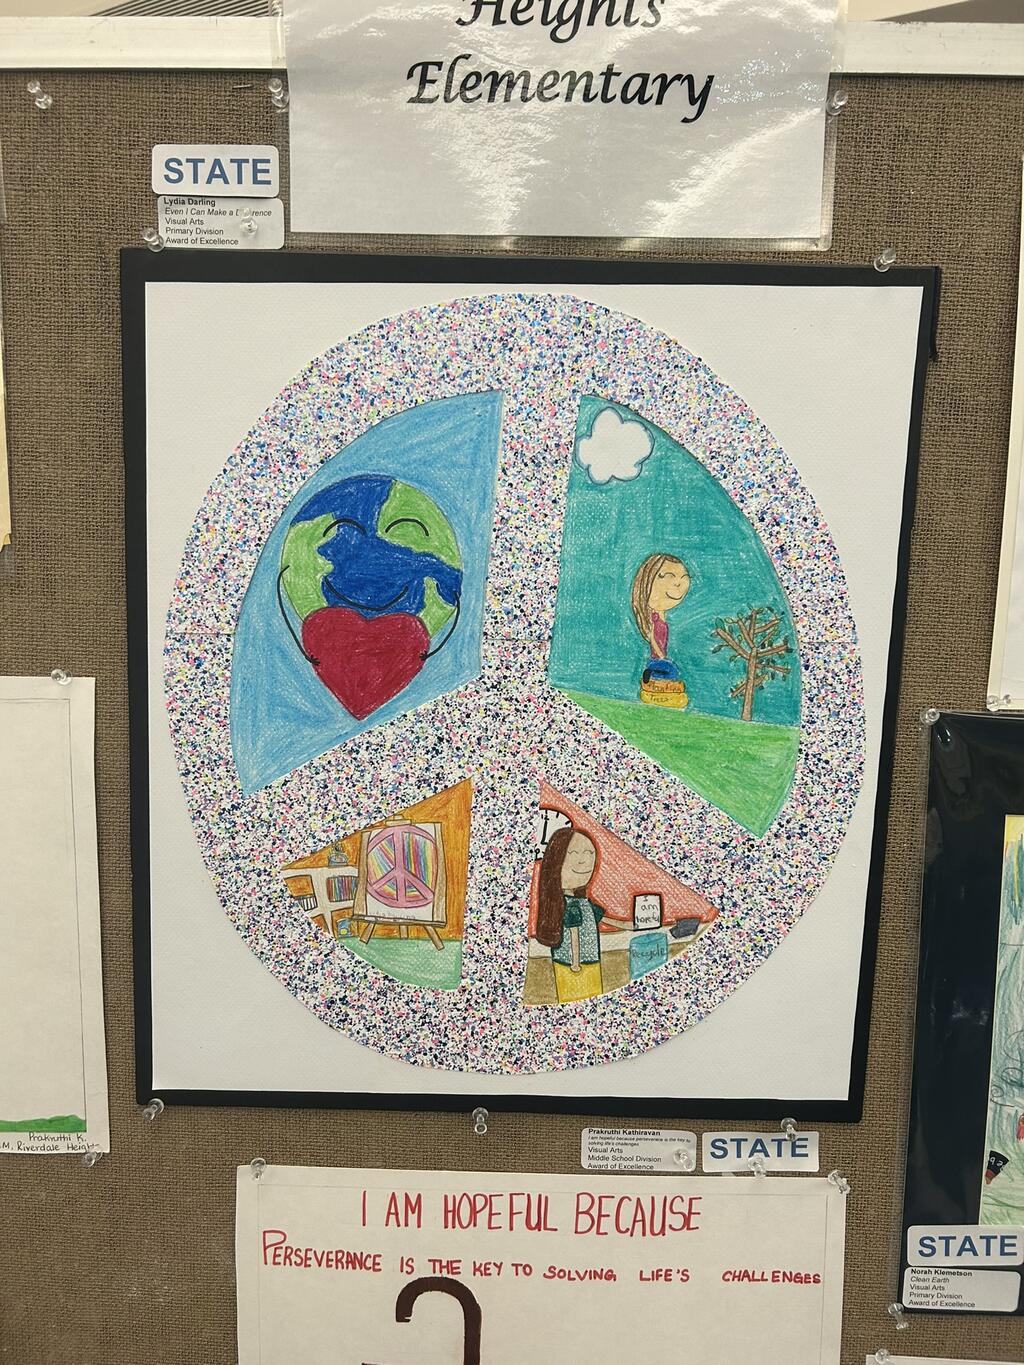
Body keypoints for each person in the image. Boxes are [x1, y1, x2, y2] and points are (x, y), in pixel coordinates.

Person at [535, 826, 624, 1003]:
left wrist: (631, 925)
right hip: (571, 964)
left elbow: (605, 919)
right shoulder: (570, 906)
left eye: (590, 854)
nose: (584, 861)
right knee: (576, 995)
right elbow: (573, 935)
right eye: (574, 854)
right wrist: (575, 962)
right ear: (556, 864)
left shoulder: (584, 903)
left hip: (591, 959)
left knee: (591, 993)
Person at [630, 553, 690, 709]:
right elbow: (652, 638)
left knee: (671, 674)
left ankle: (654, 681)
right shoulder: (653, 619)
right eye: (668, 577)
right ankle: (649, 675)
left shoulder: (661, 616)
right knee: (672, 671)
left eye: (684, 578)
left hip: (659, 658)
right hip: (656, 658)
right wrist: (662, 655)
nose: (678, 584)